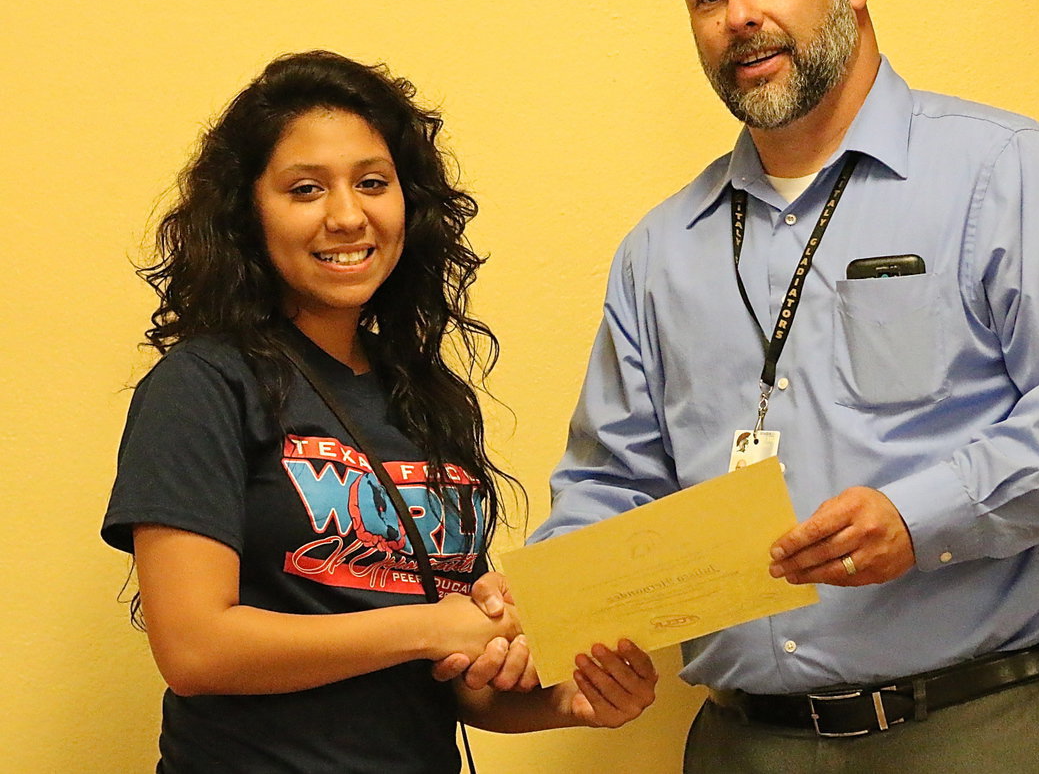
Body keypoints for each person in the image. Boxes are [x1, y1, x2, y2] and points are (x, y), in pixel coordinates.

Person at [507, 0, 1039, 773]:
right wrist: (564, 626)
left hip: (978, 729)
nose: (739, 15)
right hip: (745, 743)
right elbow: (609, 482)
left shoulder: (1004, 173)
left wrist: (921, 514)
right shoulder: (658, 252)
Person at [101, 50, 656, 773]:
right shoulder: (203, 383)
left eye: (372, 182)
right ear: (249, 213)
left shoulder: (428, 396)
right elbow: (197, 648)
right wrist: (432, 625)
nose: (346, 215)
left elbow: (453, 674)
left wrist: (566, 702)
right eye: (305, 189)